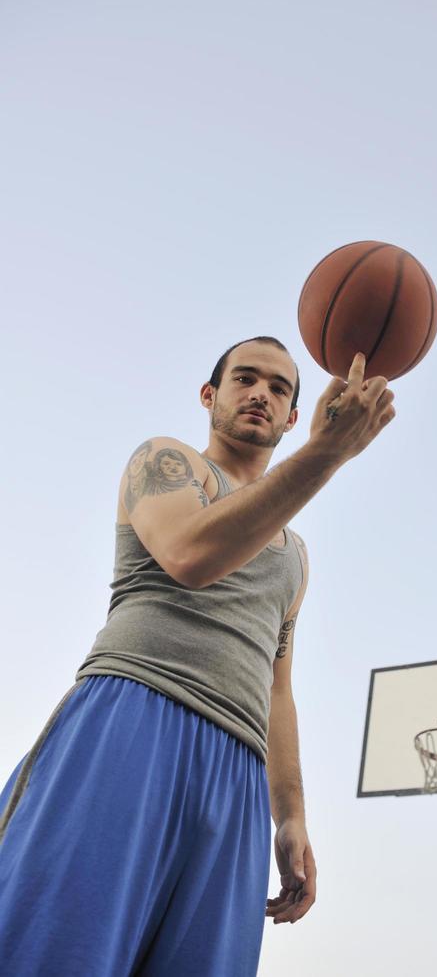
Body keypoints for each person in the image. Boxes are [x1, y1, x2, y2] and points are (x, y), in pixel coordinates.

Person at [0, 336, 395, 976]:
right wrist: (326, 453)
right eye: (245, 379)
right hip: (133, 717)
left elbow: (277, 688)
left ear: (294, 414)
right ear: (210, 395)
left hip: (237, 771)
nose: (261, 393)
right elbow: (189, 555)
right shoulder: (166, 461)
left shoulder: (294, 555)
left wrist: (290, 815)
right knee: (60, 950)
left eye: (279, 387)